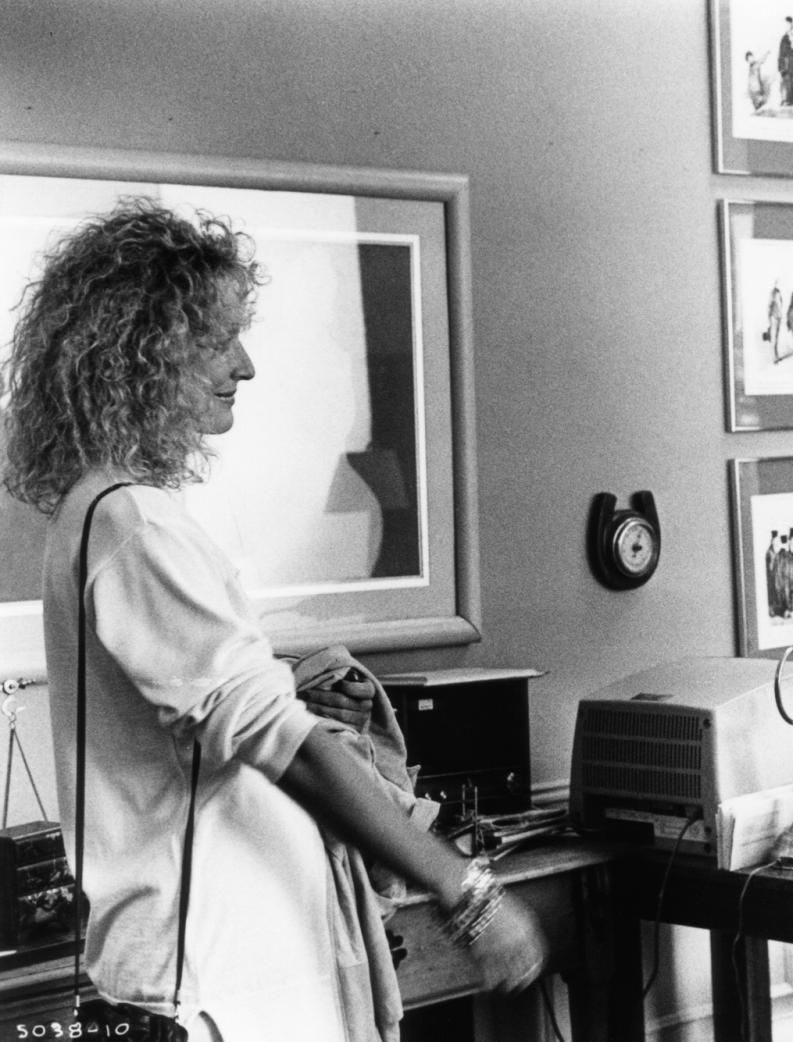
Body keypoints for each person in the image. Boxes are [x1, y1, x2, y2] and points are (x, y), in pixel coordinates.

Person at [0, 200, 546, 1042]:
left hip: (231, 983)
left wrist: (294, 699)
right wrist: (468, 894)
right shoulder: (133, 523)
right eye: (218, 340)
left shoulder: (107, 515)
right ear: (142, 351)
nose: (245, 365)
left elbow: (210, 730)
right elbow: (275, 742)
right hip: (219, 995)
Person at [777, 16, 793, 108]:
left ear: (792, 25)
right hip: (786, 66)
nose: (787, 26)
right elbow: (781, 54)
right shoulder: (783, 39)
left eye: (789, 24)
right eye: (786, 24)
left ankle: (790, 102)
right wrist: (781, 67)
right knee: (786, 83)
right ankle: (785, 101)